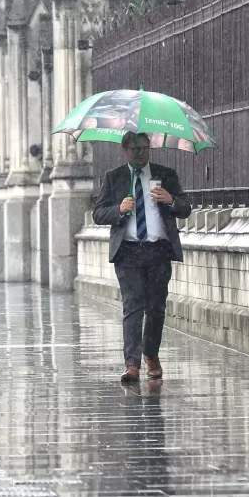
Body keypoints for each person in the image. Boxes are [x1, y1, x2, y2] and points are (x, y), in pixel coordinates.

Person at [91, 132, 192, 382]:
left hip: (158, 250)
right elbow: (98, 214)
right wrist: (118, 210)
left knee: (156, 308)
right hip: (128, 251)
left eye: (145, 149)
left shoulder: (165, 174)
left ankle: (151, 356)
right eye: (135, 150)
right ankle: (132, 364)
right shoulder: (114, 178)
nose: (140, 154)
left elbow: (186, 208)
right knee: (133, 306)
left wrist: (170, 200)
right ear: (125, 151)